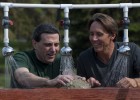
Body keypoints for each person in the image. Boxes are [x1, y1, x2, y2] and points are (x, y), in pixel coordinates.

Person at [76, 13, 140, 88]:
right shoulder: (84, 58)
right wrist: (86, 83)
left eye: (99, 34)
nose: (94, 39)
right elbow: (78, 89)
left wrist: (135, 82)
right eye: (91, 34)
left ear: (113, 35)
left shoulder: (131, 50)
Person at [11, 23, 74, 88]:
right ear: (34, 44)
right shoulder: (22, 57)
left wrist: (78, 80)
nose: (53, 50)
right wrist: (48, 82)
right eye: (48, 45)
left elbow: (69, 79)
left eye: (56, 44)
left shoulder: (60, 61)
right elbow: (22, 76)